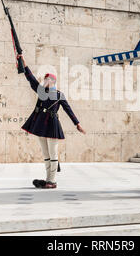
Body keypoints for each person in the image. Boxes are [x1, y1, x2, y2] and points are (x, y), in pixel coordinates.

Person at [17, 54, 86, 189]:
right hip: (41, 125)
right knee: (46, 154)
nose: (45, 81)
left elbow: (68, 110)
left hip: (52, 125)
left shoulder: (59, 95)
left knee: (53, 153)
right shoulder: (41, 91)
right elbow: (30, 79)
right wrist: (23, 63)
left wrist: (77, 124)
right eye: (45, 79)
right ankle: (49, 179)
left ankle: (52, 180)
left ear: (53, 81)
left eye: (48, 79)